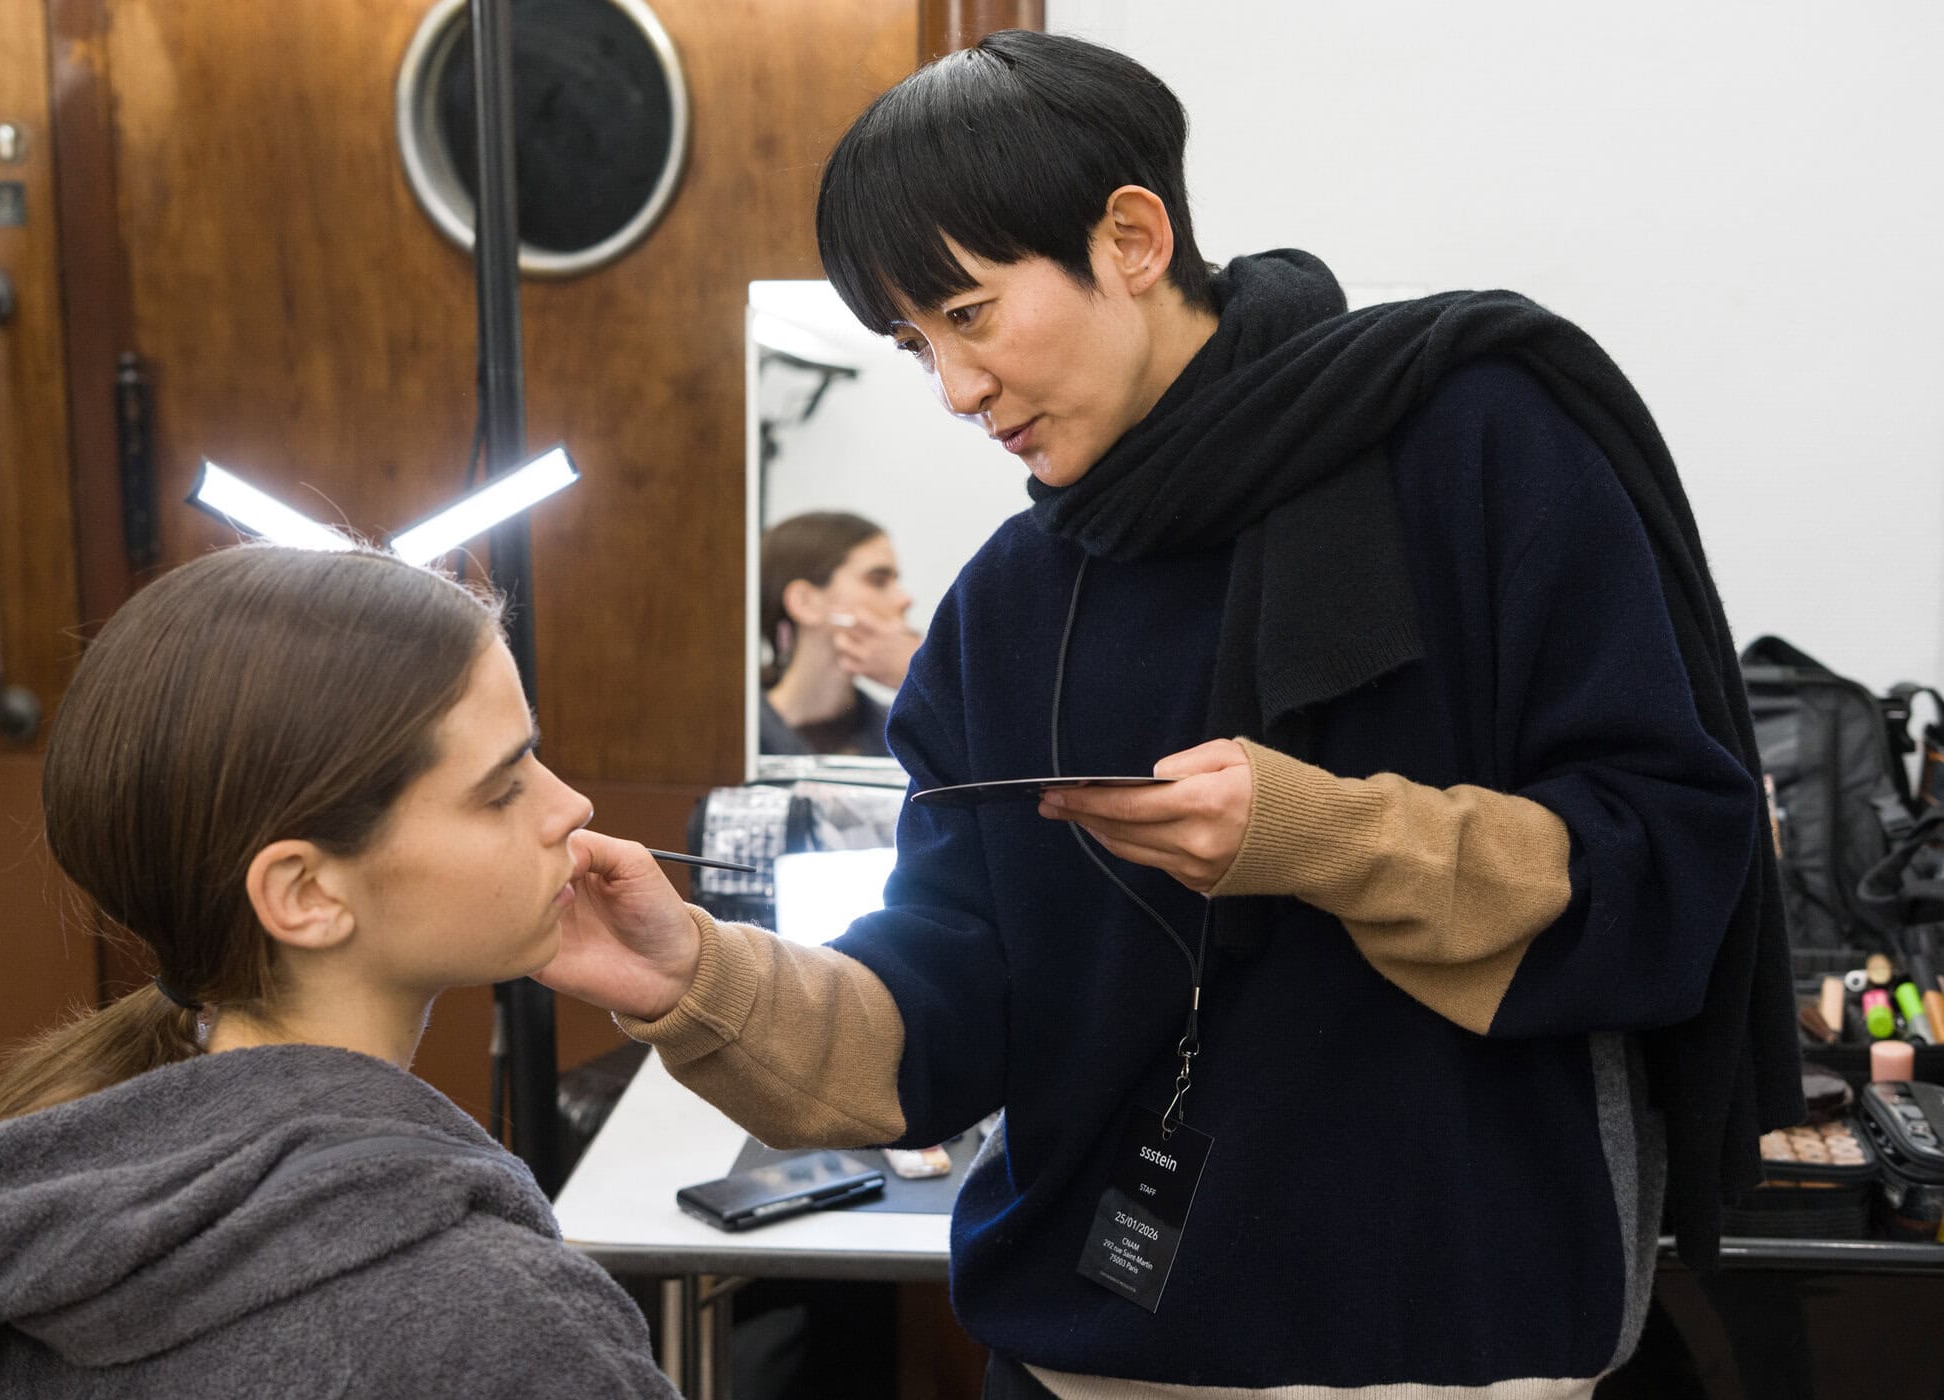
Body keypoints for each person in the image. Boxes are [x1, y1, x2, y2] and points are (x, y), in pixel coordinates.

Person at [541, 28, 1802, 1400]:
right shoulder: (1009, 615)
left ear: (1133, 236)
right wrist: (698, 982)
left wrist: (1322, 838)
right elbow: (944, 1015)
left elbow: (1670, 866)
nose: (955, 392)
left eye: (968, 316)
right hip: (1098, 1362)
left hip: (1462, 1348)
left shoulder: (1479, 444)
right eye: (915, 346)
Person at [0, 546, 677, 1399]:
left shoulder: (43, 1230)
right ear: (306, 892)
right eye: (503, 789)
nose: (569, 806)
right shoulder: (507, 1328)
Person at [758, 511, 919, 758]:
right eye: (878, 580)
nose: (905, 599)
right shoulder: (738, 739)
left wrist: (922, 678)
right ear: (805, 602)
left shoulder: (906, 736)